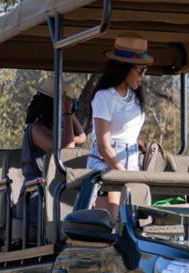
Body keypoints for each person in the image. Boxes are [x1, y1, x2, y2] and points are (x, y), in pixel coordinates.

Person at [89, 34, 151, 220]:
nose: (143, 76)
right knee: (110, 223)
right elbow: (104, 145)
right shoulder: (105, 97)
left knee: (129, 223)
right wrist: (123, 175)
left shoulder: (134, 97)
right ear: (124, 67)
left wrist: (137, 143)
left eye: (145, 70)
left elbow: (123, 131)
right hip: (107, 167)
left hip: (130, 165)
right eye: (140, 70)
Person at [21, 79, 86, 180]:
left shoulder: (51, 128)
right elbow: (66, 152)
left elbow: (82, 137)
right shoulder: (36, 129)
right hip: (38, 187)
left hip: (55, 184)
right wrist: (66, 112)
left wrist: (70, 112)